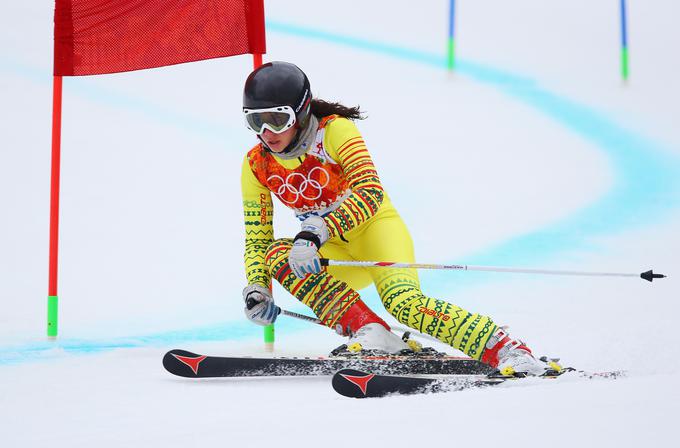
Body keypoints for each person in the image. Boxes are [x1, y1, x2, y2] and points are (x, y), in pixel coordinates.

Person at [240, 61, 557, 376]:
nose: (267, 133)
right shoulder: (256, 165)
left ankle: (508, 349)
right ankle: (372, 333)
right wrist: (258, 287)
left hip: (377, 234)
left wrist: (318, 231)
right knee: (277, 256)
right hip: (330, 251)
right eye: (256, 122)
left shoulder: (335, 131)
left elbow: (370, 192)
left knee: (404, 304)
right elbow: (257, 239)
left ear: (301, 111)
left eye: (277, 120)